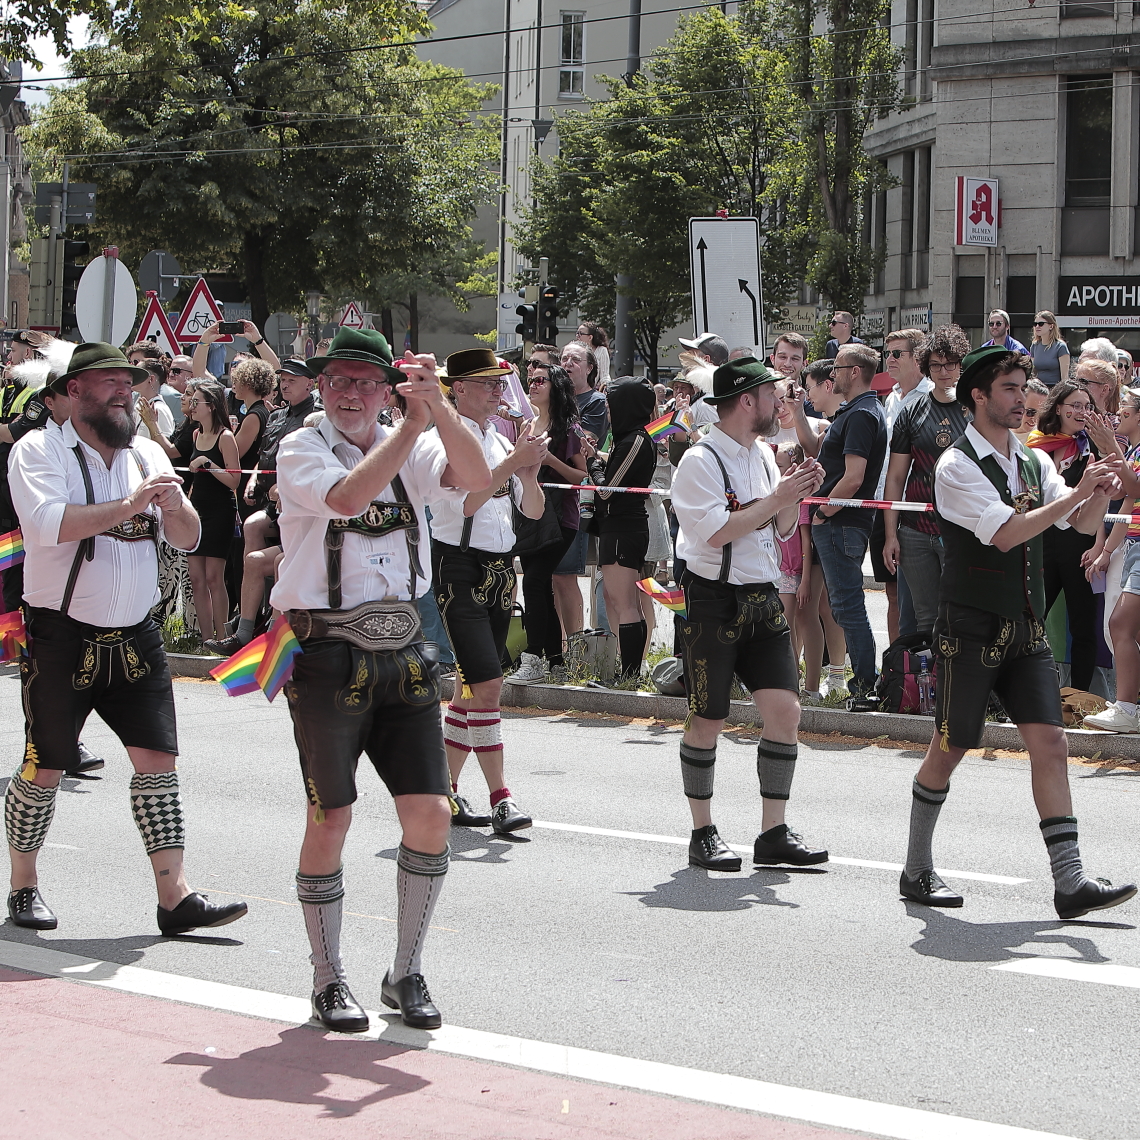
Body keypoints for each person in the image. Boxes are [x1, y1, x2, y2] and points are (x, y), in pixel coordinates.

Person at [271, 327, 490, 1033]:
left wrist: (439, 406)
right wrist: (412, 426)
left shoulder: (416, 439)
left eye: (366, 382)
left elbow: (477, 477)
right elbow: (344, 498)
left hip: (406, 652)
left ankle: (406, 970)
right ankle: (327, 977)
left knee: (430, 814)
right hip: (326, 653)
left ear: (385, 389)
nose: (351, 394)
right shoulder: (302, 446)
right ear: (322, 387)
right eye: (338, 381)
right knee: (331, 816)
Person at [5, 341, 248, 935]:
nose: (124, 390)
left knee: (158, 763)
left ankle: (175, 897)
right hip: (62, 633)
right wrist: (133, 505)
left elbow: (187, 539)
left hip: (137, 634)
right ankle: (23, 884)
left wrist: (174, 507)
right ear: (70, 393)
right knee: (46, 765)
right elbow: (47, 526)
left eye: (128, 381)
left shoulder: (143, 452)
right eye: (109, 381)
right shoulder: (39, 450)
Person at [899, 345, 1135, 920]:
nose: (1021, 400)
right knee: (952, 745)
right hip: (970, 624)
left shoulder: (1033, 463)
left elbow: (1077, 526)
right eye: (1009, 389)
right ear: (978, 395)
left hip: (1023, 624)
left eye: (1023, 388)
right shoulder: (956, 466)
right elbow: (1005, 535)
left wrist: (1096, 491)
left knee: (1051, 743)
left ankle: (1070, 880)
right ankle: (915, 867)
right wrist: (1080, 496)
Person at [672, 357, 827, 872]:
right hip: (713, 599)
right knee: (707, 717)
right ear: (746, 401)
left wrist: (794, 493)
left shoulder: (762, 453)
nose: (779, 404)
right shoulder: (699, 460)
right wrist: (778, 497)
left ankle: (773, 832)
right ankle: (703, 831)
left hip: (761, 597)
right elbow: (716, 533)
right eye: (772, 396)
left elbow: (780, 530)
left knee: (786, 713)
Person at [430, 348, 547, 835]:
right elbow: (468, 501)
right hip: (457, 566)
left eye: (502, 383)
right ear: (459, 389)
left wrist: (528, 472)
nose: (500, 391)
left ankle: (444, 792)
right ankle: (501, 796)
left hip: (500, 569)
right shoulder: (441, 440)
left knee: (473, 687)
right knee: (488, 686)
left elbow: (534, 512)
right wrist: (512, 462)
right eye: (489, 383)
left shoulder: (498, 439)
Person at [204, 359, 320, 655]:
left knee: (267, 557)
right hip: (273, 503)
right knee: (253, 525)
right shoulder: (276, 415)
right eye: (282, 379)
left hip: (300, 505)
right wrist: (255, 477)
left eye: (292, 380)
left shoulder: (317, 418)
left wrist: (287, 489)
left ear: (310, 383)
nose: (284, 384)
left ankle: (262, 625)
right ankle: (250, 617)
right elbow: (263, 456)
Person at [882, 324, 972, 633]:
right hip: (915, 532)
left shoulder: (977, 411)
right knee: (924, 622)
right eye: (936, 364)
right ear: (926, 367)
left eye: (951, 363)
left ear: (961, 364)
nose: (944, 370)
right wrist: (891, 535)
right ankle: (927, 683)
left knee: (961, 618)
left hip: (962, 531)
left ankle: (960, 683)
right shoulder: (912, 412)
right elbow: (895, 478)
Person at [811, 343, 887, 698]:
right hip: (846, 523)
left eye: (838, 369)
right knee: (845, 605)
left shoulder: (861, 414)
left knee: (847, 606)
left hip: (843, 523)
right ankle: (865, 682)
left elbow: (854, 477)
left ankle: (864, 685)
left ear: (855, 372)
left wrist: (824, 511)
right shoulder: (861, 410)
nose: (833, 375)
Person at [1026, 378, 1110, 692]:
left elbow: (1102, 499)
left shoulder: (1092, 446)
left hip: (1080, 544)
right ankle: (1018, 690)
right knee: (1031, 618)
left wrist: (1099, 544)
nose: (1081, 411)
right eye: (1075, 405)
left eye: (1087, 406)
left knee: (1083, 625)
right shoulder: (1036, 444)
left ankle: (1079, 697)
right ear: (1058, 407)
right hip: (1044, 540)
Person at [510, 363, 586, 682]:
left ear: (555, 386)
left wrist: (550, 459)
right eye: (530, 380)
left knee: (534, 581)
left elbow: (583, 477)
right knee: (540, 588)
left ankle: (533, 658)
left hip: (561, 518)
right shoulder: (526, 424)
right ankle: (556, 662)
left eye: (540, 380)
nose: (533, 385)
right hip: (530, 515)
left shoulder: (570, 428)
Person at [1084, 387, 1140, 732]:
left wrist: (1111, 446)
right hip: (1134, 544)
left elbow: (1134, 489)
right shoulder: (1133, 450)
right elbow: (1122, 492)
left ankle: (1127, 709)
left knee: (1119, 624)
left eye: (1126, 411)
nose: (1119, 415)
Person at [594, 379, 657, 678]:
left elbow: (608, 491)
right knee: (612, 599)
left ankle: (630, 673)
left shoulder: (635, 439)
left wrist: (591, 464)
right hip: (615, 526)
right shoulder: (627, 439)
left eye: (611, 402)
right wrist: (597, 458)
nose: (607, 408)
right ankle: (626, 666)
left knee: (625, 602)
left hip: (624, 526)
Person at [185, 381, 240, 642]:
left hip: (220, 511)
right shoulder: (196, 434)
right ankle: (205, 638)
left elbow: (234, 480)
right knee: (196, 577)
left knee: (214, 577)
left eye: (197, 402)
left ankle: (222, 637)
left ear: (212, 406)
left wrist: (208, 462)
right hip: (198, 510)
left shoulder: (225, 437)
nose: (192, 406)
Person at [560, 340, 609, 445]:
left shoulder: (598, 401)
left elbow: (582, 444)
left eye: (576, 359)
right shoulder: (553, 397)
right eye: (564, 359)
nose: (568, 363)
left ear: (589, 368)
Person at [1029, 311, 1069, 387]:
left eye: (1041, 324)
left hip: (1054, 388)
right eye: (1035, 324)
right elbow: (1033, 372)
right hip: (1038, 388)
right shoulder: (1035, 345)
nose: (1037, 326)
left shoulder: (1060, 346)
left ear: (1051, 326)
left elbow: (1064, 377)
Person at [1013, 378, 1049, 443]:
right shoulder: (999, 432)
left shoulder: (1043, 438)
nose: (1035, 419)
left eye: (1041, 414)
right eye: (1030, 412)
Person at [577, 321, 611, 386]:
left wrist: (605, 387)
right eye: (577, 333)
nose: (577, 336)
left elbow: (604, 375)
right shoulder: (574, 350)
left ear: (590, 337)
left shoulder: (601, 350)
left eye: (580, 333)